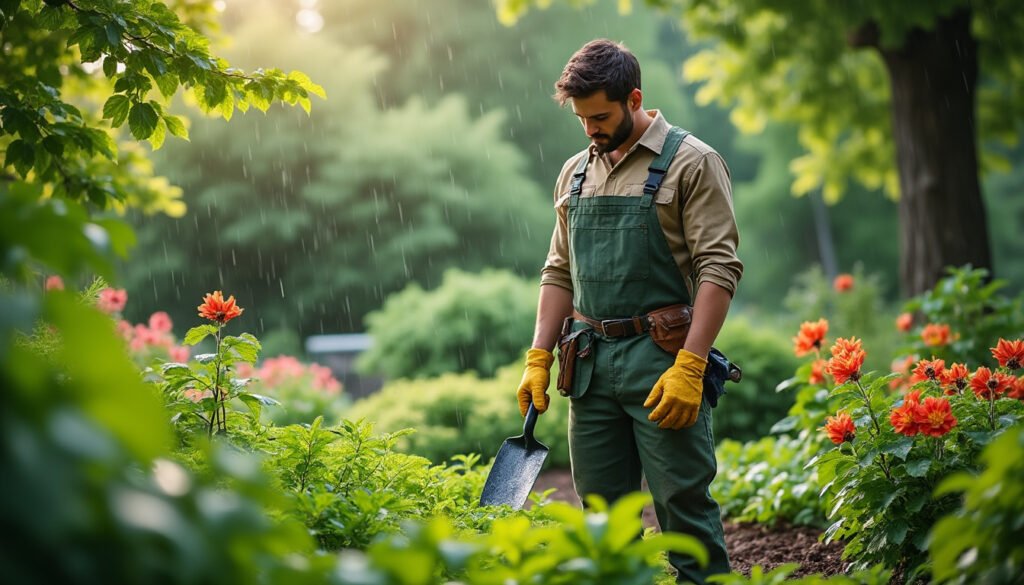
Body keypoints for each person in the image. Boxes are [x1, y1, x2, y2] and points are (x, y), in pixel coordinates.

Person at [516, 39, 742, 583]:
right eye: (581, 119)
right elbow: (558, 271)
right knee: (602, 517)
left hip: (663, 361)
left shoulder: (693, 162)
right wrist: (539, 357)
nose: (589, 129)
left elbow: (718, 269)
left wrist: (692, 365)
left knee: (683, 505)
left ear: (634, 99)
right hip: (588, 363)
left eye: (600, 117)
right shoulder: (575, 173)